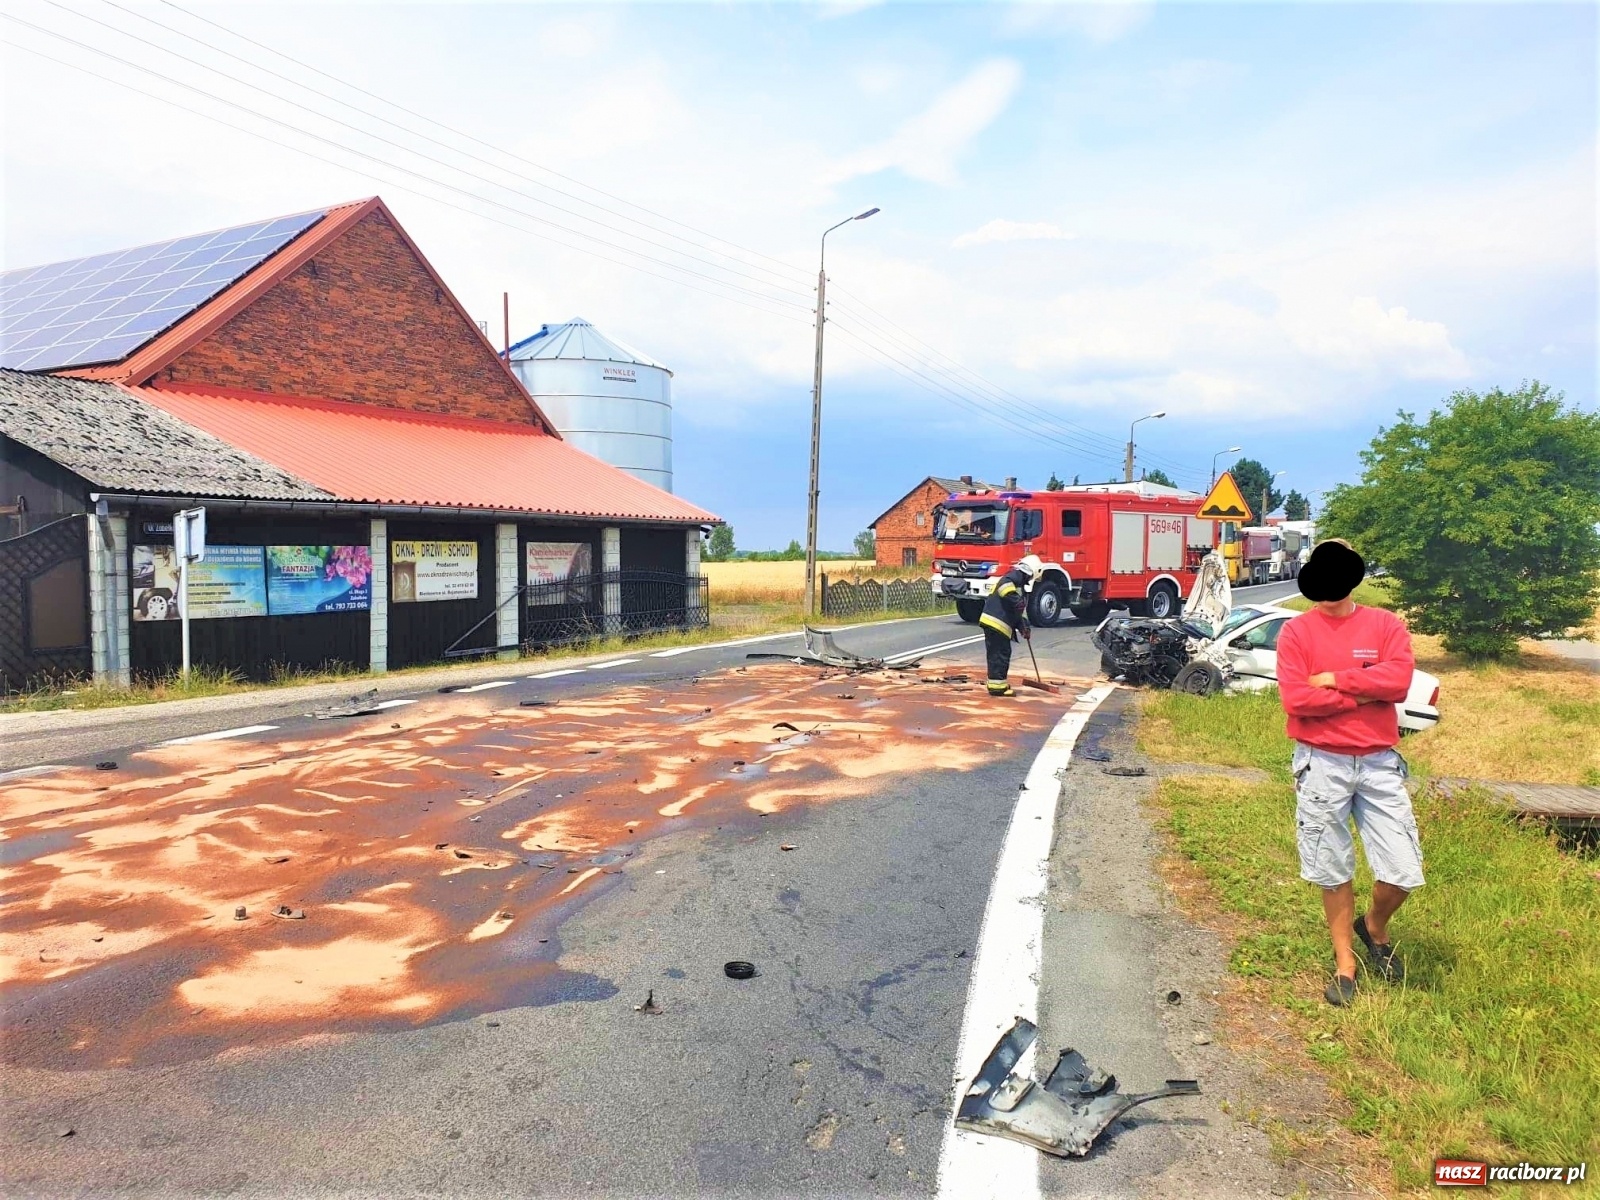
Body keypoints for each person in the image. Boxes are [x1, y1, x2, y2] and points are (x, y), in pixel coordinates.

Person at [1276, 540, 1421, 1007]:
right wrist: (1365, 691)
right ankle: (1346, 965)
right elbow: (1297, 701)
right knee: (1332, 866)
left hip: (1379, 762)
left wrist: (1336, 680)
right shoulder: (1297, 633)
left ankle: (1373, 926)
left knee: (1403, 870)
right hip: (1321, 762)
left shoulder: (1385, 625)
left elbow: (1397, 682)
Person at [979, 555, 1042, 697]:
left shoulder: (1019, 583)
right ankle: (997, 688)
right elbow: (1004, 587)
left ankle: (997, 683)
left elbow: (1017, 611)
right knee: (999, 655)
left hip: (996, 623)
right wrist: (1016, 601)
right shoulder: (1014, 577)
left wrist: (1023, 626)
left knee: (999, 653)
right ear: (1031, 572)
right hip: (996, 622)